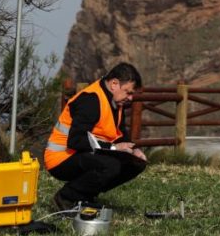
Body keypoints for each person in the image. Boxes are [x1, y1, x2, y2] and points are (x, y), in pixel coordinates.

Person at [44, 62, 147, 210]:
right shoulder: (91, 100)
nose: (130, 98)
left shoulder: (116, 103)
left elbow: (120, 135)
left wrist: (133, 150)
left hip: (85, 154)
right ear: (114, 84)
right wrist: (113, 147)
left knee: (135, 163)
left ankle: (85, 196)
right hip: (61, 159)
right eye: (128, 92)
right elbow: (76, 141)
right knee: (110, 166)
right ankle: (66, 197)